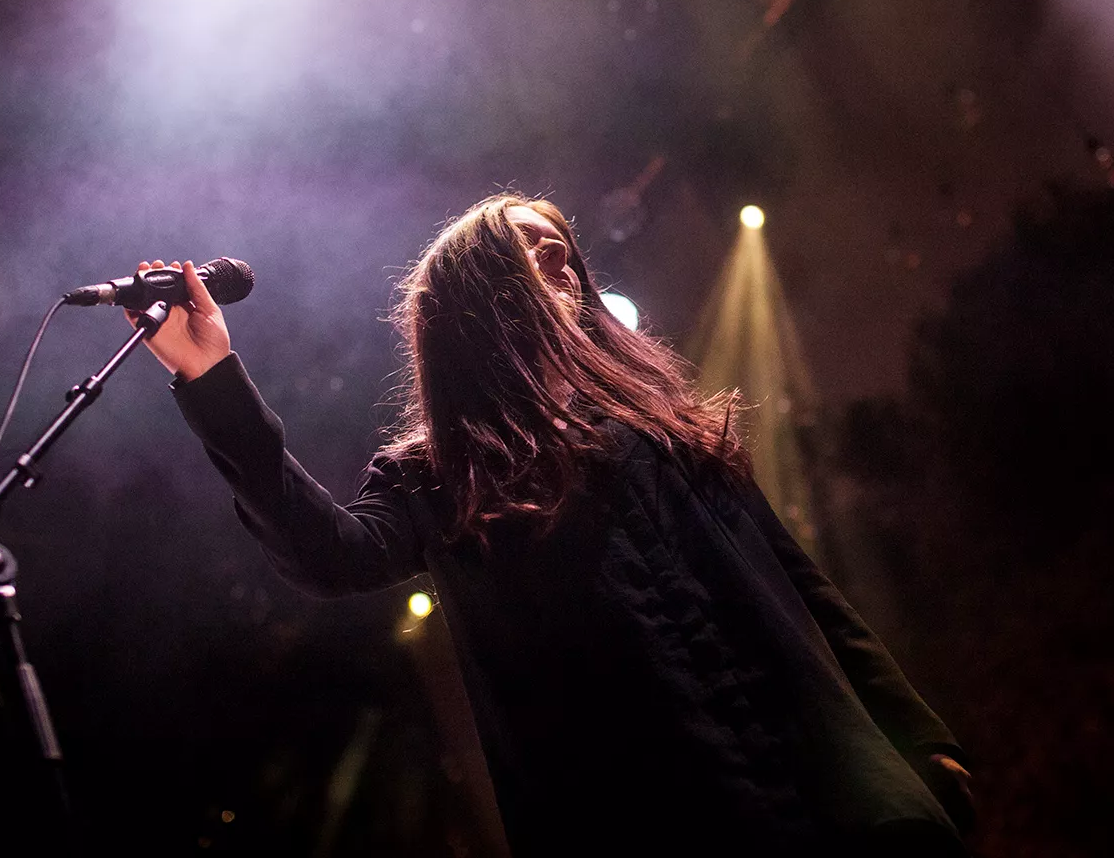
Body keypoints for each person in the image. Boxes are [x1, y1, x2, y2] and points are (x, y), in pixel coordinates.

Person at [133, 194, 974, 857]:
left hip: (845, 803)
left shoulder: (660, 421)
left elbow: (805, 588)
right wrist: (213, 378)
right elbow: (329, 554)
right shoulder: (443, 475)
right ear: (478, 299)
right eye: (532, 251)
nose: (562, 263)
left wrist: (921, 740)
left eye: (563, 249)